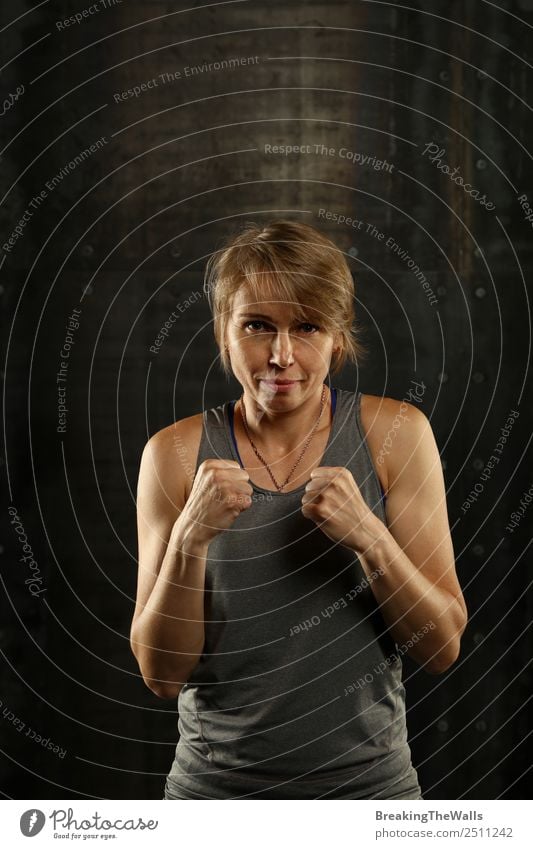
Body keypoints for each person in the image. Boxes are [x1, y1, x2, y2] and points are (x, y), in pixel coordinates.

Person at [130, 219, 468, 800]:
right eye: (258, 326)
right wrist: (189, 540)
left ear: (338, 338)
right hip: (214, 801)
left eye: (306, 326)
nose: (282, 355)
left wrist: (370, 537)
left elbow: (440, 648)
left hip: (370, 798)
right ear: (224, 332)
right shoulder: (174, 454)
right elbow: (162, 675)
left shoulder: (397, 436)